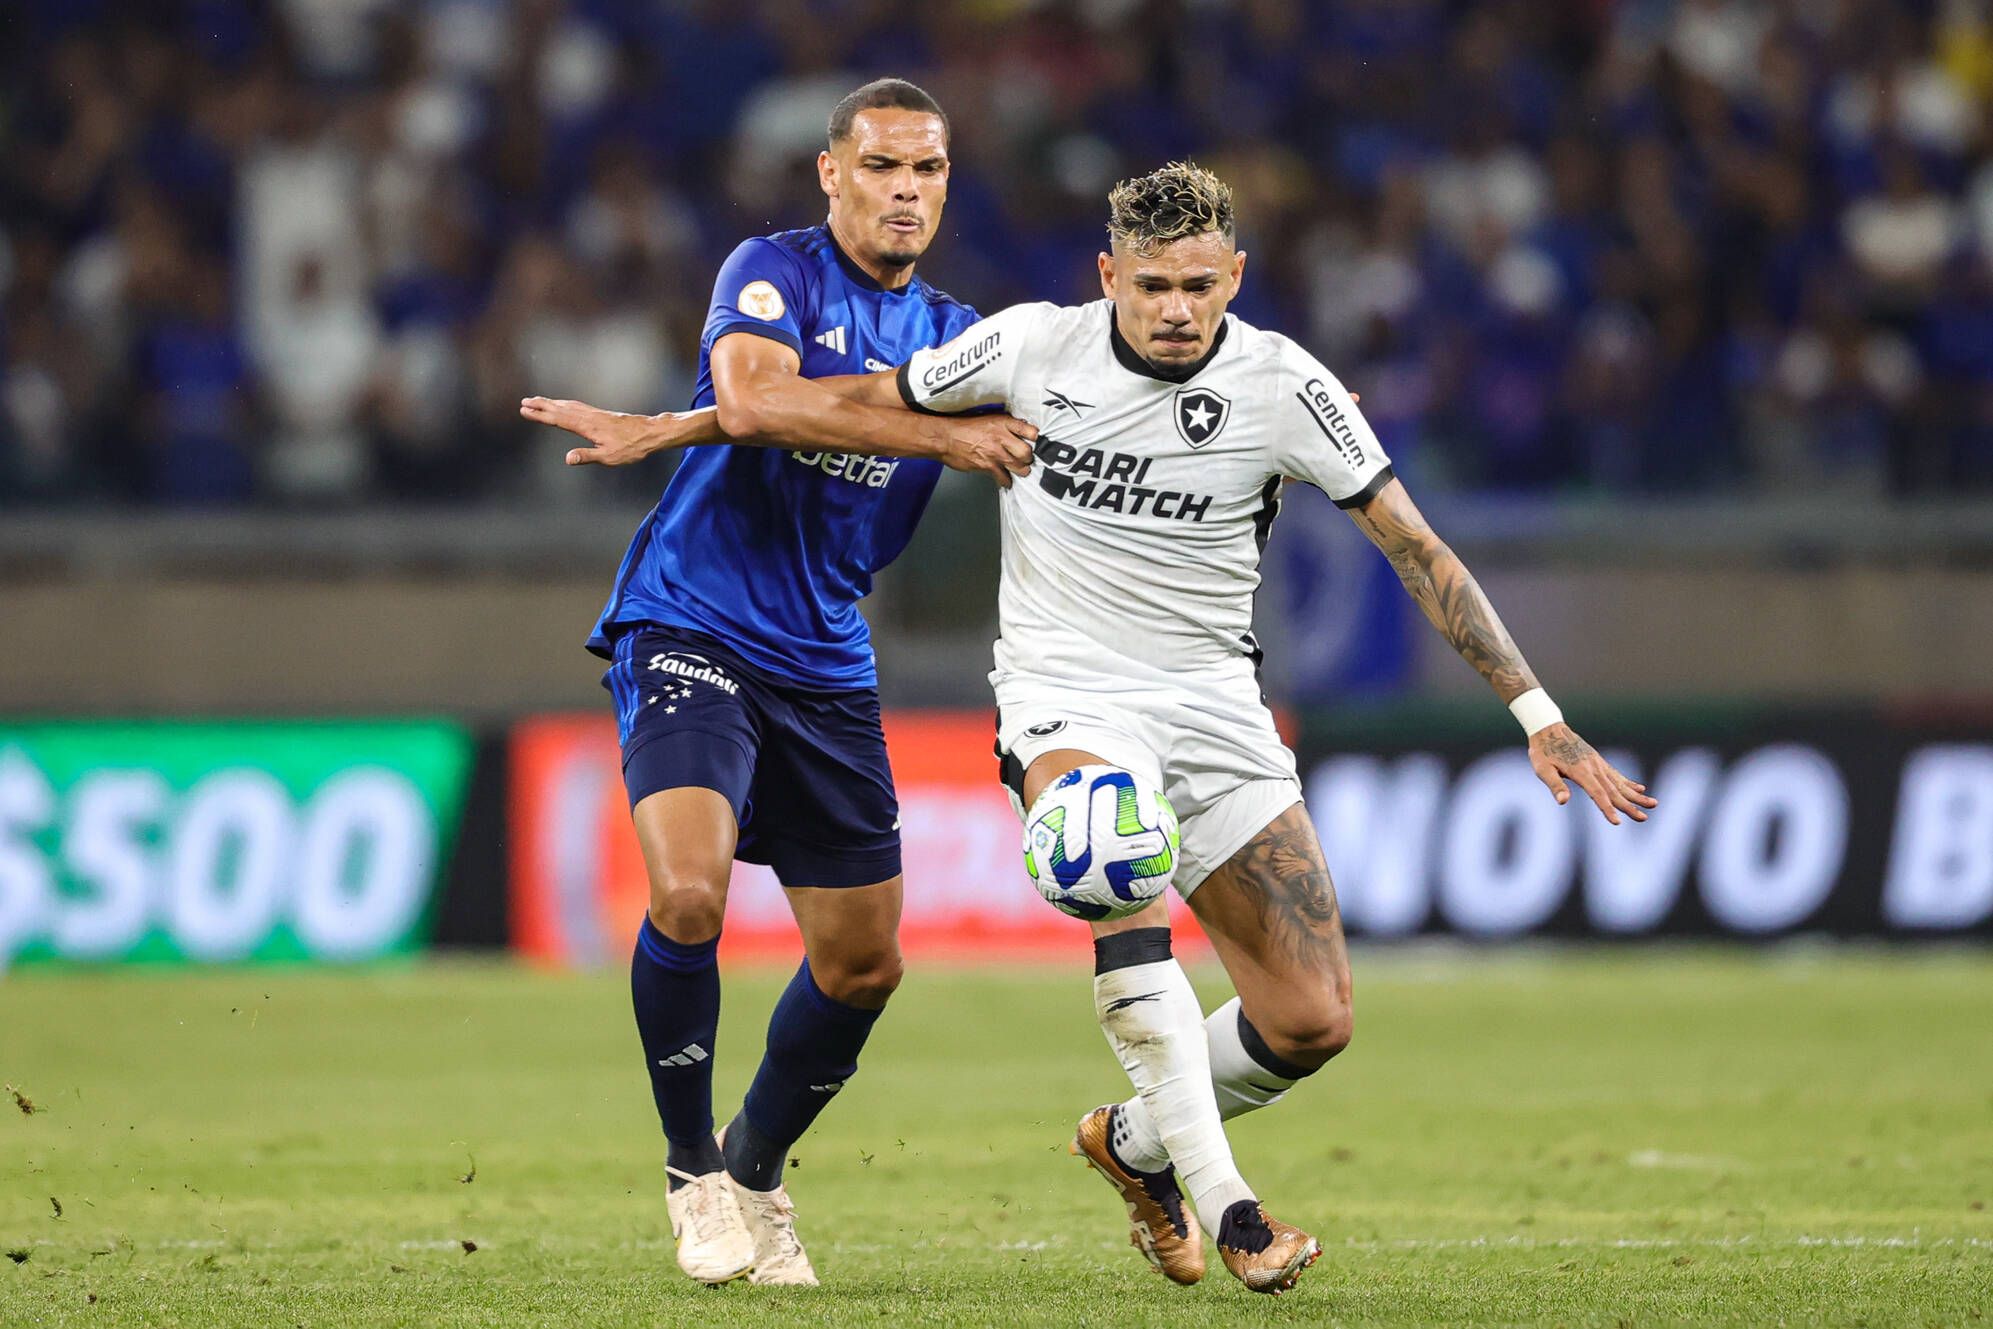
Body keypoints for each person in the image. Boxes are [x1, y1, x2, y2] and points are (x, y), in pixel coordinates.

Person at [533, 161, 1654, 1295]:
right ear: (1108, 274)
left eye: (1202, 286)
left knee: (1310, 1020)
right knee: (1113, 855)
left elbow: (1416, 548)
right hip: (1067, 696)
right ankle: (1237, 1213)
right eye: (1155, 283)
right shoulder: (1029, 349)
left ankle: (1131, 1144)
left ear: (1236, 279)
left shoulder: (1286, 386)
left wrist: (1537, 713)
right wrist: (679, 429)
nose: (1177, 308)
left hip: (1216, 706)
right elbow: (864, 399)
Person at [519, 78, 1033, 1289]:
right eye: (883, 167)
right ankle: (693, 1172)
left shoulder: (960, 335)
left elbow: (1084, 405)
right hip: (690, 618)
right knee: (689, 893)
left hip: (824, 653)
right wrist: (943, 435)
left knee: (865, 964)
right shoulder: (774, 270)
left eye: (929, 170)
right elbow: (753, 400)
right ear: (831, 173)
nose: (907, 191)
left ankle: (756, 1170)